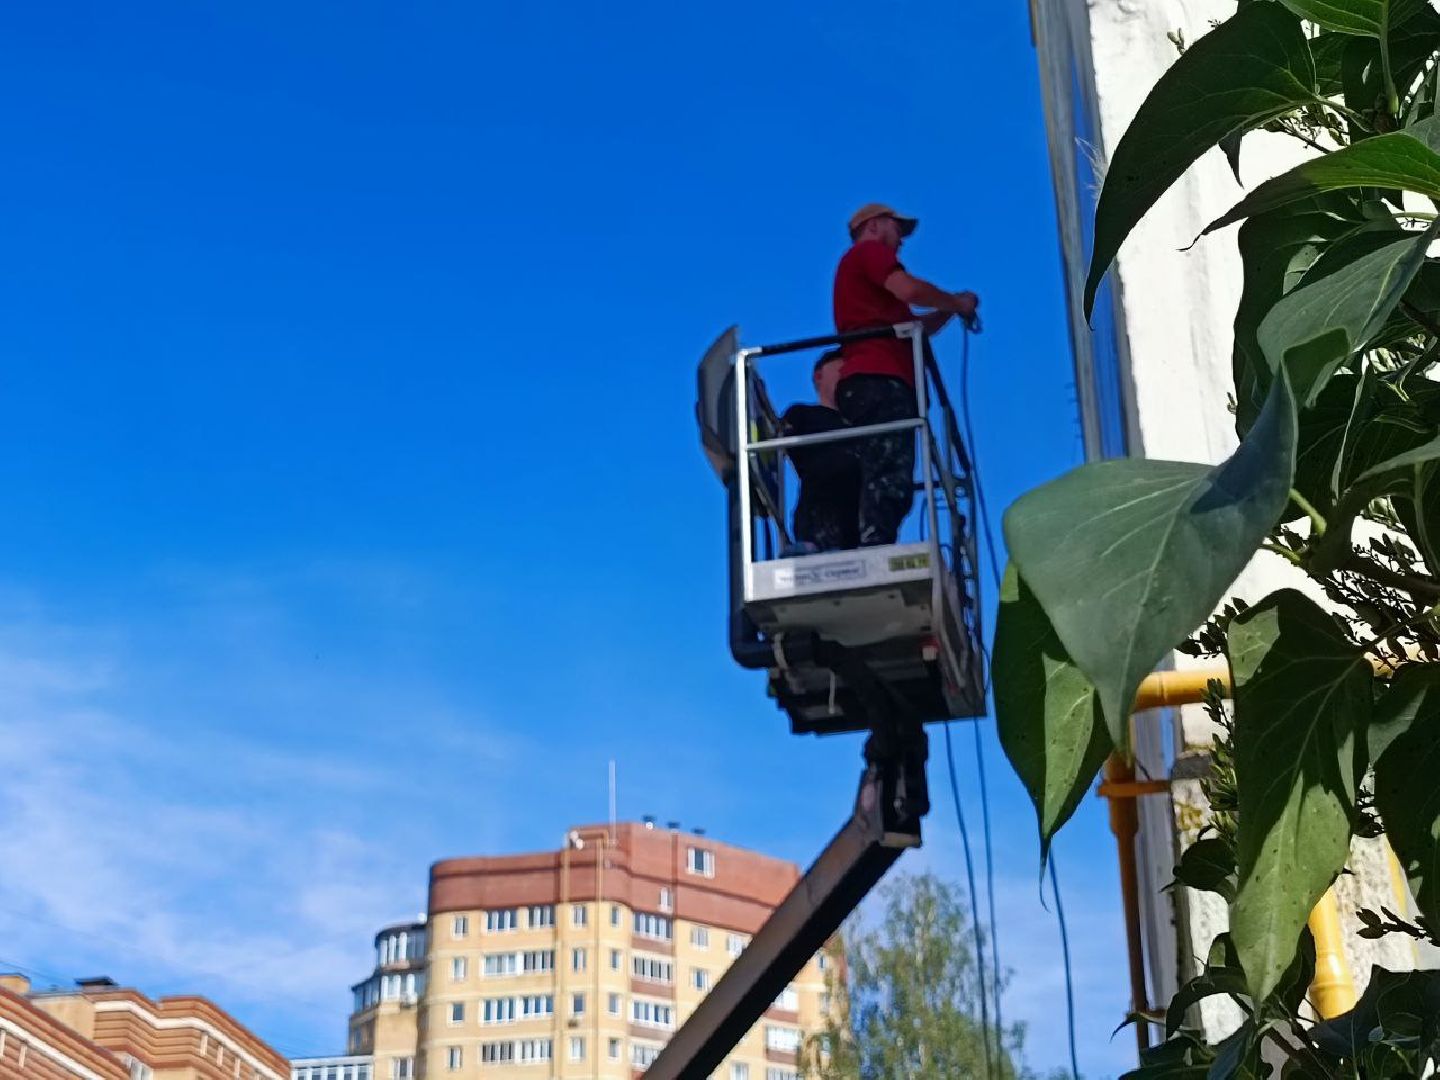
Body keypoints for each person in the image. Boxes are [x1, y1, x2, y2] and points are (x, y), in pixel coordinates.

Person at [832, 203, 979, 546]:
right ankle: (874, 543)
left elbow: (915, 327)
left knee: (885, 470)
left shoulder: (870, 290)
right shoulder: (869, 253)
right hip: (879, 379)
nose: (901, 241)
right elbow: (910, 290)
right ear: (874, 225)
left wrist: (952, 308)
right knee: (888, 472)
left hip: (870, 381)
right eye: (897, 230)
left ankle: (872, 540)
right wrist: (956, 304)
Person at [781, 349, 861, 552]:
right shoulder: (802, 414)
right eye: (842, 370)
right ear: (819, 376)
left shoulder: (864, 423)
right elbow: (775, 444)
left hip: (858, 520)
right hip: (819, 518)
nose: (847, 376)